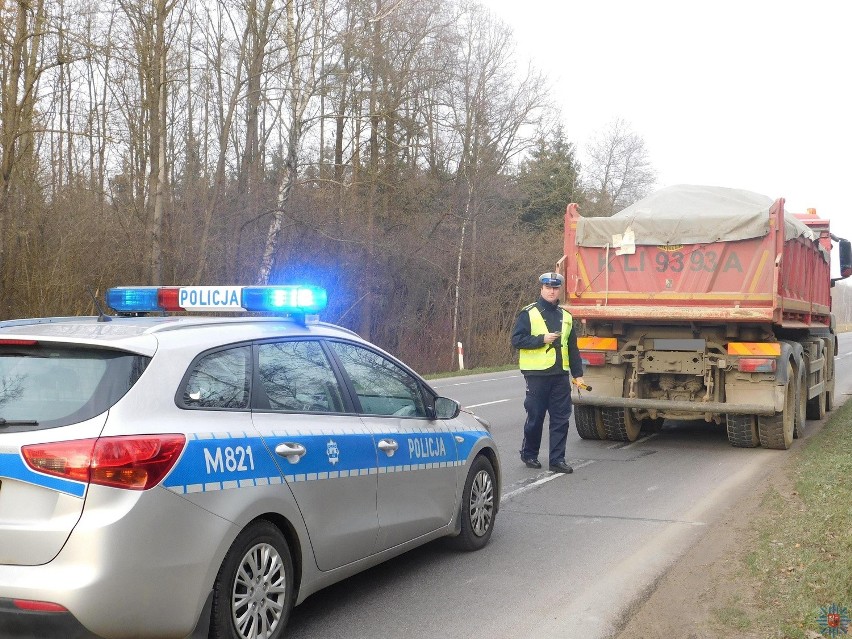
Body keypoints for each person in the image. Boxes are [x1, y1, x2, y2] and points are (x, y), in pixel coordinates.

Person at [511, 271, 585, 473]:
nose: (551, 291)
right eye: (548, 288)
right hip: (536, 375)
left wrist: (577, 374)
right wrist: (541, 339)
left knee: (561, 418)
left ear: (560, 290)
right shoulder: (529, 313)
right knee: (535, 417)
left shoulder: (566, 317)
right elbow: (517, 340)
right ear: (541, 289)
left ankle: (557, 460)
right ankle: (529, 454)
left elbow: (572, 348)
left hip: (560, 374)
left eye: (555, 288)